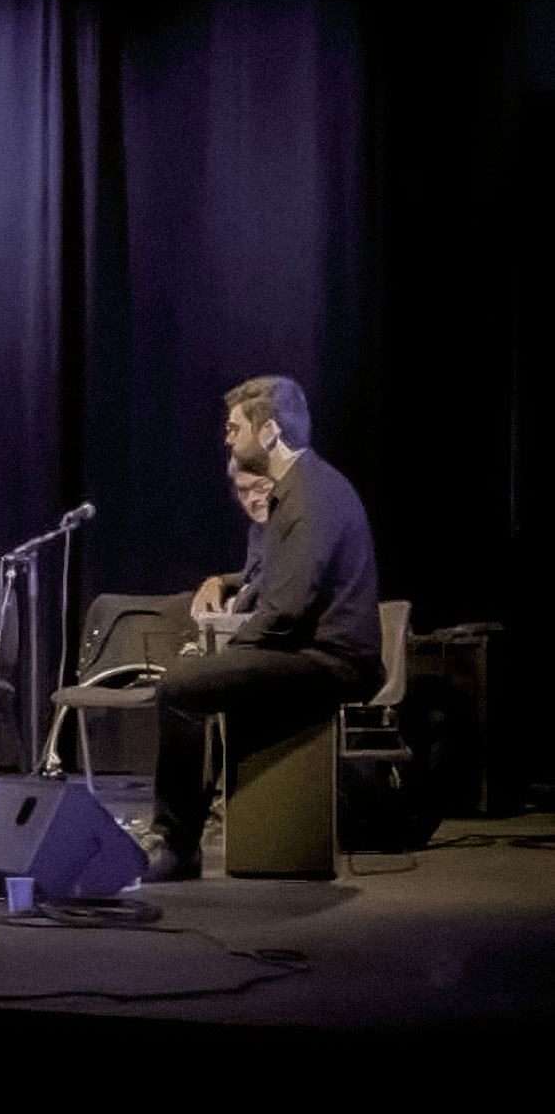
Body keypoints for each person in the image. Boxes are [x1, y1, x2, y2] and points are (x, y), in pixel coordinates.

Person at [143, 375, 385, 881]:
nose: (226, 438)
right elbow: (279, 584)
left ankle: (178, 843)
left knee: (182, 687)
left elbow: (287, 611)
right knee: (193, 679)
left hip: (334, 660)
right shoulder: (298, 489)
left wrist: (223, 654)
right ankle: (184, 833)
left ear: (270, 431)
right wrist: (228, 591)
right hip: (312, 650)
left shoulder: (311, 496)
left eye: (235, 428)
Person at [191, 457, 275, 618]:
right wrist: (219, 582)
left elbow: (278, 577)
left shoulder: (299, 525)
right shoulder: (258, 528)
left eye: (261, 488)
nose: (252, 499)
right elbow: (252, 574)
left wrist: (235, 604)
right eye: (243, 490)